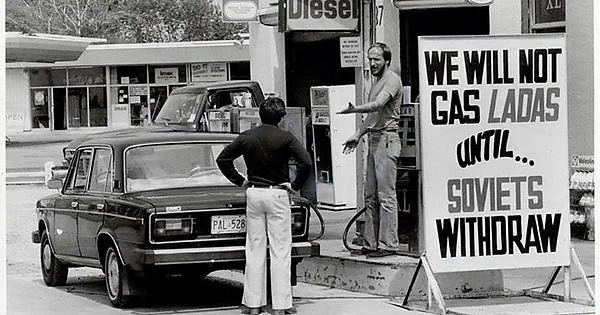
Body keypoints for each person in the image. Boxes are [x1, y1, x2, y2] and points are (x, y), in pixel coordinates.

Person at [216, 97, 312, 315]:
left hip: (254, 194)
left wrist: (240, 180)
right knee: (280, 250)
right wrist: (294, 185)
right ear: (281, 116)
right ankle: (281, 305)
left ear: (260, 115)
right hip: (278, 194)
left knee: (255, 248)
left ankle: (252, 303)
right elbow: (306, 162)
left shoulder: (248, 136)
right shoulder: (286, 138)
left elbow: (223, 159)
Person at [338, 42, 403, 258]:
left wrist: (354, 109)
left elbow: (377, 105)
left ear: (386, 60)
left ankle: (388, 244)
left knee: (386, 196)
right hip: (375, 139)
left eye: (376, 59)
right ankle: (371, 243)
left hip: (387, 140)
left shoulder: (392, 80)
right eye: (370, 59)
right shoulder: (375, 82)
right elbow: (373, 116)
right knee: (370, 196)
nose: (372, 63)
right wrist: (358, 134)